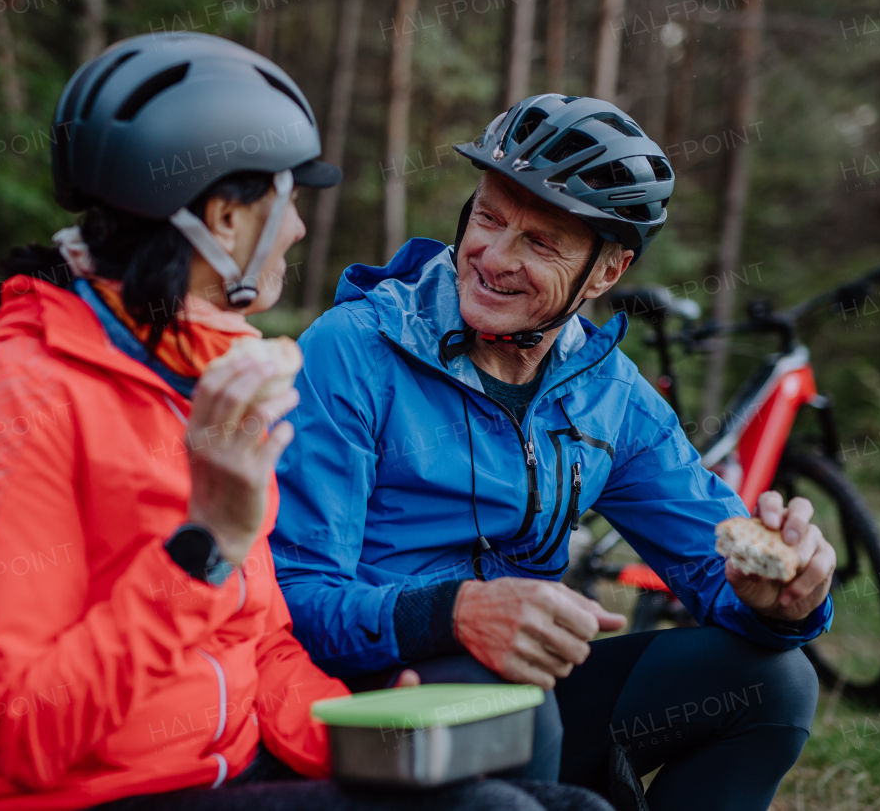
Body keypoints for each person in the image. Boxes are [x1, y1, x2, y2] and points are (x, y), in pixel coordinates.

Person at [0, 34, 610, 811]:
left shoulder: (204, 378)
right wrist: (203, 546)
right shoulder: (9, 397)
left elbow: (257, 639)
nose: (301, 230)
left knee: (572, 807)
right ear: (225, 217)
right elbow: (28, 734)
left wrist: (354, 735)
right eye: (291, 200)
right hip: (71, 798)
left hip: (219, 773)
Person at [270, 93, 837, 811]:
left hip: (522, 684)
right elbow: (293, 595)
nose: (493, 258)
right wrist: (454, 611)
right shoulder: (354, 349)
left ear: (606, 271)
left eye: (540, 243)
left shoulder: (609, 394)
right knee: (518, 703)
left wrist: (784, 602)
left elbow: (713, 565)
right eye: (489, 218)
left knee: (776, 679)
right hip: (372, 696)